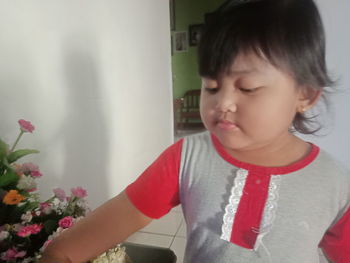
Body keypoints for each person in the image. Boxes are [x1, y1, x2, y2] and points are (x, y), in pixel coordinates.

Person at [41, 0, 350, 262]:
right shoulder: (187, 158)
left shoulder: (335, 183)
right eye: (211, 86)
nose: (223, 102)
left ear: (305, 95)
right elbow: (93, 234)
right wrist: (58, 253)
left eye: (248, 88)